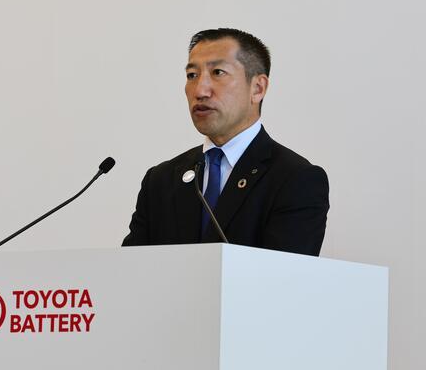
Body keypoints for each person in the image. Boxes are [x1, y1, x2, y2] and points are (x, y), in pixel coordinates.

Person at [122, 28, 329, 256]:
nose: (200, 90)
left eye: (218, 72)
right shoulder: (161, 181)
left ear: (257, 88)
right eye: (192, 75)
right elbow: (132, 270)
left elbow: (284, 275)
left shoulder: (296, 180)